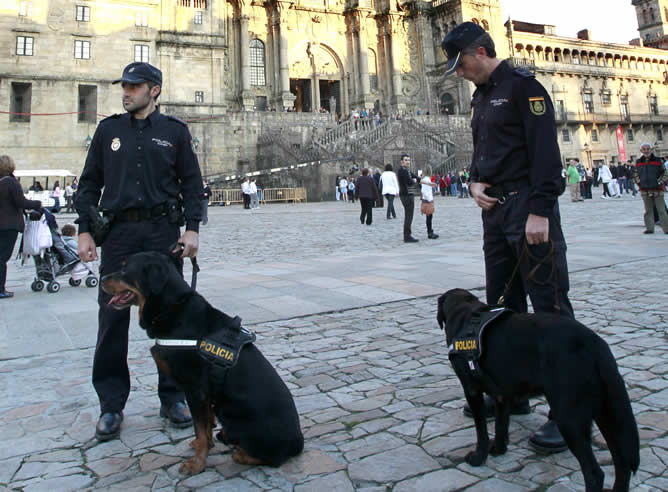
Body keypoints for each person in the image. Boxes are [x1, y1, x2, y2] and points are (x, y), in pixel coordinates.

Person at [444, 21, 575, 453]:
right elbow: (486, 153)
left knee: (549, 304)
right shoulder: (481, 98)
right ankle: (513, 392)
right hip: (495, 212)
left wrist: (540, 210)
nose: (459, 74)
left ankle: (570, 409)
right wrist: (474, 181)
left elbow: (544, 154)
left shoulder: (524, 88)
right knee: (502, 304)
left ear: (480, 52)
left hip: (528, 208)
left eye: (461, 64)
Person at [75, 61, 203, 442]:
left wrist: (193, 228)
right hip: (118, 236)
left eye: (134, 86)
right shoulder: (108, 130)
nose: (126, 92)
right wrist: (84, 231)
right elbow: (88, 185)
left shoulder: (174, 132)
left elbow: (192, 183)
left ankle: (173, 396)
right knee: (112, 321)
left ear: (154, 90)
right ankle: (111, 405)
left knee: (170, 319)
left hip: (162, 234)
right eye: (124, 86)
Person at [0, 155, 42, 299]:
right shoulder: (11, 183)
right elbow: (21, 202)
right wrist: (37, 204)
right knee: (2, 258)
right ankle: (0, 289)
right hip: (8, 225)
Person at [634, 143, 668, 234]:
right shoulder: (638, 162)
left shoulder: (658, 160)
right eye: (644, 149)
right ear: (641, 151)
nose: (646, 151)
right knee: (648, 210)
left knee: (661, 210)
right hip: (645, 190)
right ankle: (649, 228)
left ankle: (666, 228)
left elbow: (665, 173)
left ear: (651, 150)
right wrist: (639, 183)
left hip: (657, 189)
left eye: (648, 149)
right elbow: (635, 174)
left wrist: (660, 182)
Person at [397, 154, 419, 242]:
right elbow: (410, 182)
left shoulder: (407, 170)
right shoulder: (403, 170)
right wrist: (414, 180)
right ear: (401, 161)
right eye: (406, 160)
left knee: (409, 215)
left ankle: (407, 235)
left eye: (408, 160)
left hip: (408, 195)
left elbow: (416, 177)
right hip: (406, 196)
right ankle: (407, 236)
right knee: (409, 216)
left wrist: (425, 182)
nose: (408, 162)